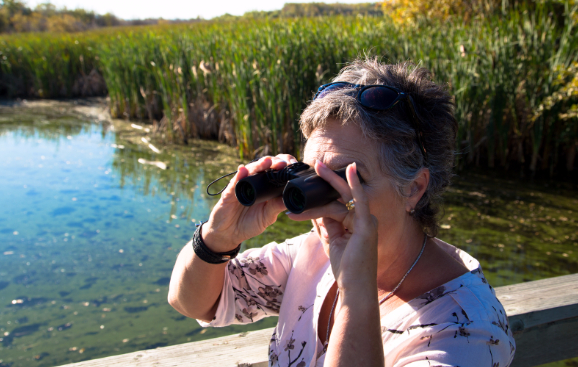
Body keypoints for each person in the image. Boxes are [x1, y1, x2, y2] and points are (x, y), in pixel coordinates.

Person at [168, 58, 515, 367]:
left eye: (347, 177)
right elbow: (195, 303)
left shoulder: (465, 332)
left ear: (414, 188)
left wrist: (353, 291)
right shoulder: (311, 254)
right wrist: (217, 239)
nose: (319, 199)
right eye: (311, 175)